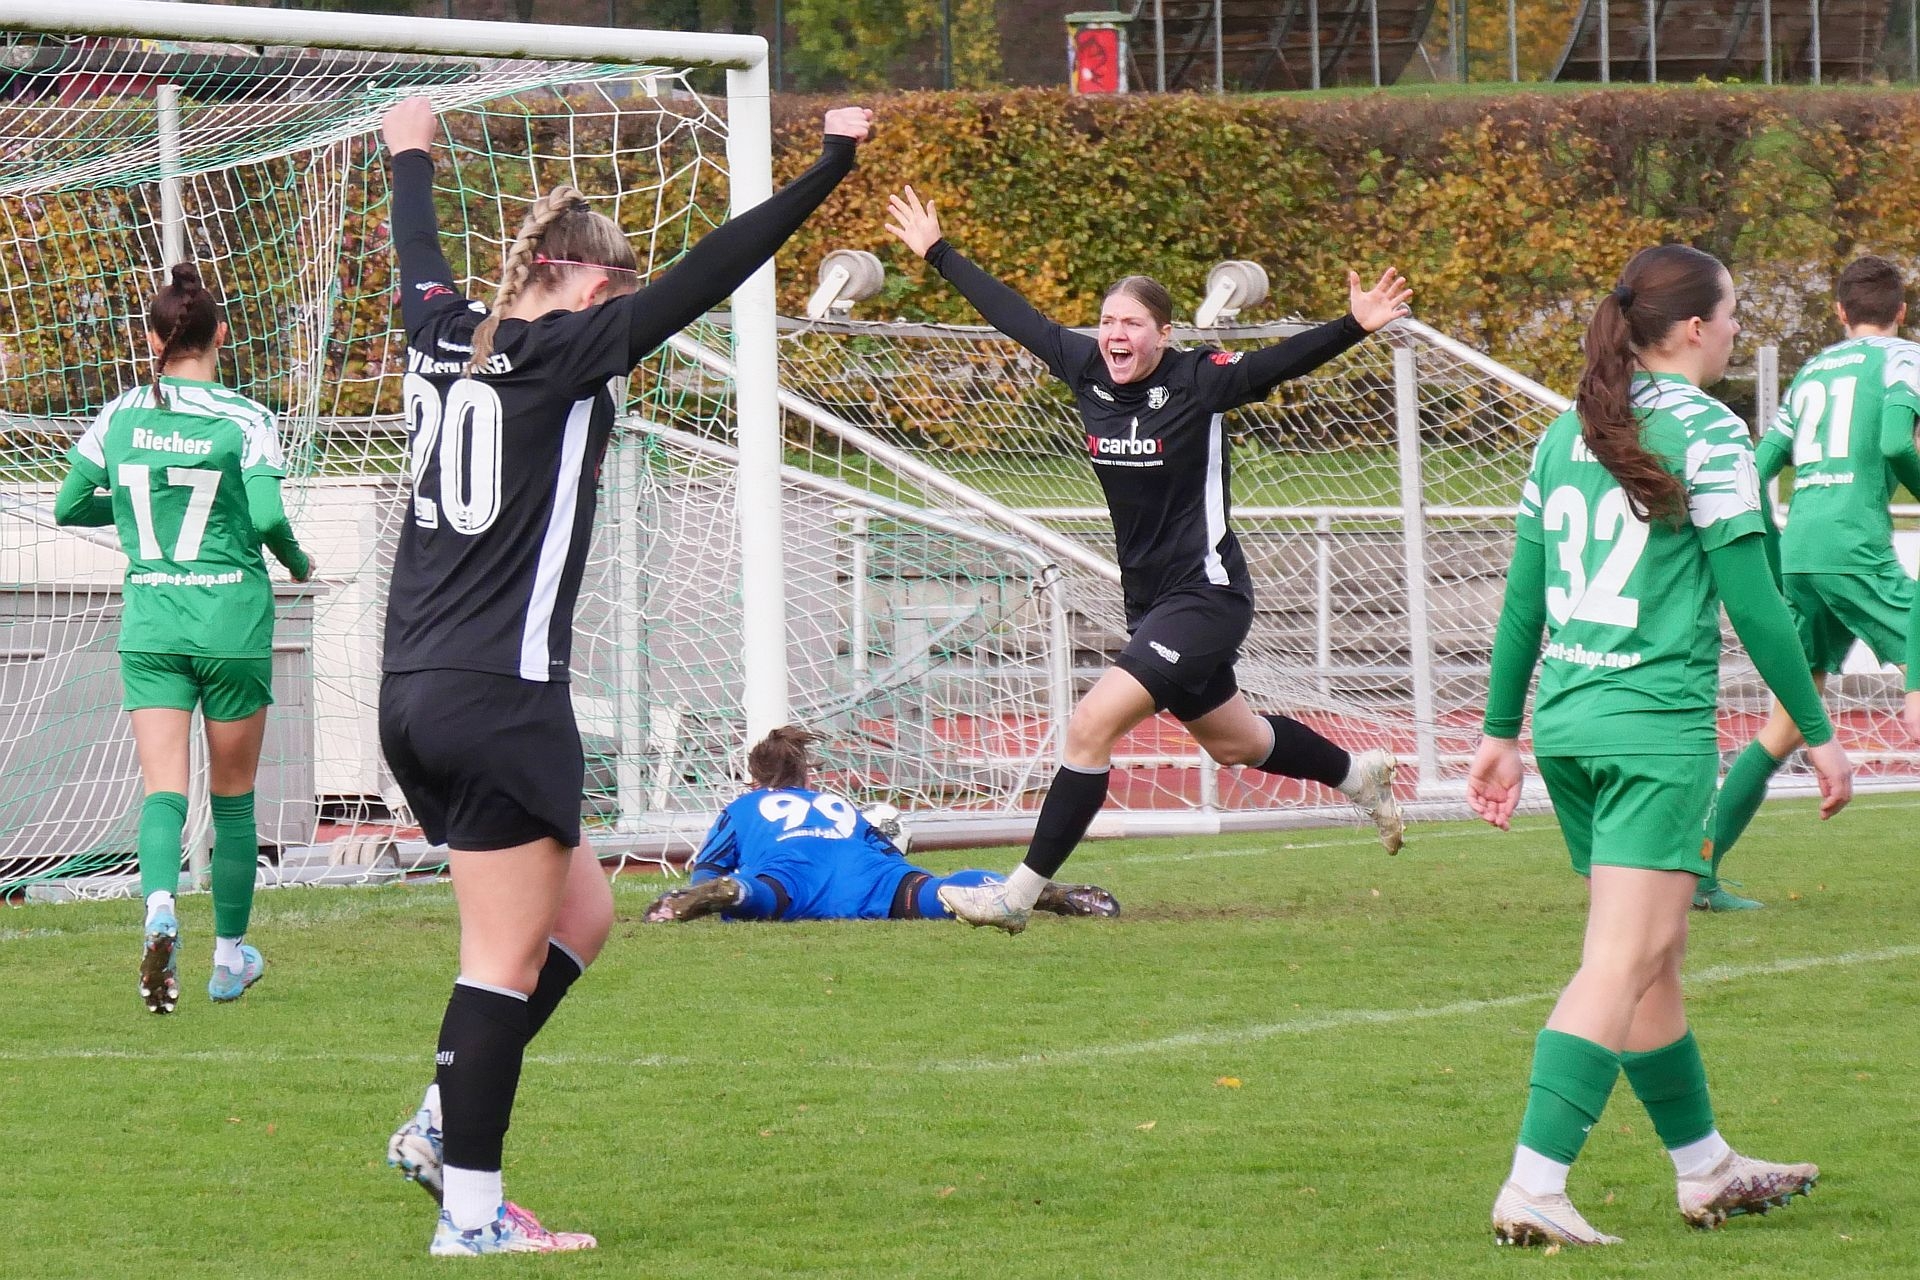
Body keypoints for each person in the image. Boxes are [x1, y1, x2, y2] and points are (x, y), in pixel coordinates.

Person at [372, 95, 872, 1257]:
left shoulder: (441, 327)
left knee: (583, 914)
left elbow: (419, 251)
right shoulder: (564, 351)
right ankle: (471, 1210)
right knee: (498, 962)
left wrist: (411, 156)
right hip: (500, 695)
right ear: (590, 285)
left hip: (416, 689)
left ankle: (444, 1119)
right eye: (618, 294)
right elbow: (716, 268)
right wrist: (828, 169)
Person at [882, 187, 1409, 935]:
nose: (1114, 333)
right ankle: (1359, 774)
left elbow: (1278, 363)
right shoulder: (1086, 370)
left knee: (1089, 725)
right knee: (1235, 742)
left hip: (1206, 596)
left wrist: (1353, 325)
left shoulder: (1199, 379)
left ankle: (1016, 897)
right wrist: (938, 253)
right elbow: (1016, 317)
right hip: (1152, 602)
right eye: (1106, 321)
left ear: (1164, 334)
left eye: (1131, 323)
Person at [1466, 244, 1852, 1247]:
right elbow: (1755, 603)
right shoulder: (1712, 432)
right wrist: (1817, 732)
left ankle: (1705, 1165)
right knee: (1623, 957)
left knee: (1656, 956)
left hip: (1572, 725)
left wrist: (1502, 732)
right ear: (1690, 328)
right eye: (1732, 313)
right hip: (1651, 729)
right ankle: (1534, 1183)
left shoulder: (1567, 432)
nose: (1737, 329)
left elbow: (1521, 602)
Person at [54, 263, 313, 1015]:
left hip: (154, 623)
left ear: (151, 338)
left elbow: (69, 504)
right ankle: (229, 960)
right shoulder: (245, 418)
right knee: (233, 800)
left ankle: (160, 907)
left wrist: (142, 512)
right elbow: (266, 517)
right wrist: (297, 560)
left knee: (163, 789)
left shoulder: (121, 413)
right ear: (220, 334)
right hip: (230, 621)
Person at [1700, 255, 1920, 910]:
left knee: (1789, 724)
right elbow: (1893, 443)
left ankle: (1700, 872)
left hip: (1801, 552)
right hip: (1854, 548)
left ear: (1840, 312)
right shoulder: (1904, 360)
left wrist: (1772, 553)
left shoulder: (1814, 372)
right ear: (1901, 311)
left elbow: (1757, 465)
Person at [643, 726, 1120, 924]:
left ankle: (731, 895)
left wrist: (704, 888)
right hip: (869, 874)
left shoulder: (742, 807)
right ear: (806, 777)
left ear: (754, 779)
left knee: (759, 894)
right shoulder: (836, 803)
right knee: (934, 891)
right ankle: (1039, 892)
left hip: (791, 876)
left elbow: (706, 868)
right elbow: (891, 856)